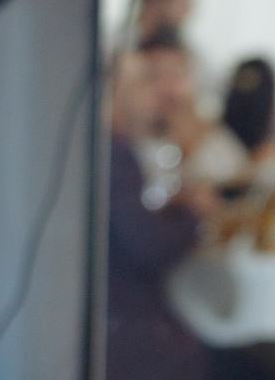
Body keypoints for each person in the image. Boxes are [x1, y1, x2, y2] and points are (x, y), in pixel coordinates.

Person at [107, 39, 219, 380]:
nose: (156, 93)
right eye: (145, 82)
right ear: (116, 92)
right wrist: (190, 215)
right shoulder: (113, 153)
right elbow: (147, 247)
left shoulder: (114, 151)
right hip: (125, 327)